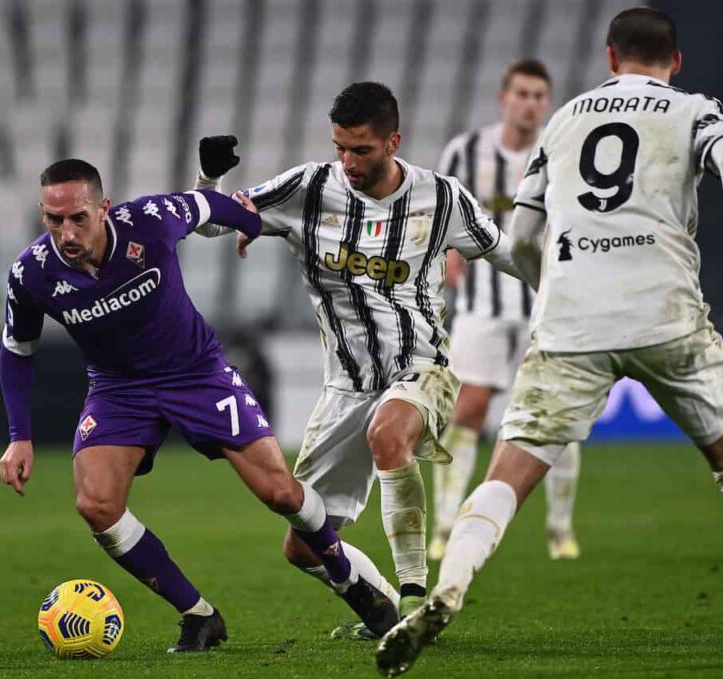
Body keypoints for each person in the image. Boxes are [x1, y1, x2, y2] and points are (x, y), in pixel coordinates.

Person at [377, 8, 723, 676]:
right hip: (664, 310)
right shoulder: (693, 110)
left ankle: (451, 587)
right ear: (674, 62)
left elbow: (526, 234)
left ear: (609, 58)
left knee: (508, 471)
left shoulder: (564, 120)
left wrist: (553, 288)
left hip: (572, 317)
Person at [0, 159, 399, 653]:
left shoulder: (148, 221)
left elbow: (209, 204)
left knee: (279, 493)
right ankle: (199, 615)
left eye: (77, 217)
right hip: (118, 389)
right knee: (97, 505)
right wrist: (19, 435)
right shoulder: (31, 273)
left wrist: (250, 226)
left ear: (104, 208)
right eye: (53, 220)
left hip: (196, 374)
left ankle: (348, 580)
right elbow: (17, 350)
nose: (66, 231)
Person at [194, 82, 529, 637]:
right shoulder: (308, 187)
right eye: (340, 148)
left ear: (393, 141)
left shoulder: (441, 198)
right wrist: (210, 180)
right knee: (304, 547)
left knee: (388, 434)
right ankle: (395, 614)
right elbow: (212, 221)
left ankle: (423, 600)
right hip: (344, 387)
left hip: (423, 368)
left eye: (362, 150)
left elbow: (511, 255)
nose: (348, 161)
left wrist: (572, 287)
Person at [431, 58, 583, 563]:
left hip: (549, 303)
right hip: (482, 303)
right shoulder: (466, 151)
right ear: (504, 97)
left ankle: (560, 529)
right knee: (468, 409)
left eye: (540, 95)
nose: (530, 103)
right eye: (522, 93)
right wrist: (448, 252)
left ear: (548, 101)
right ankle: (447, 522)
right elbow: (438, 209)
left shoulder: (563, 148)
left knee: (555, 412)